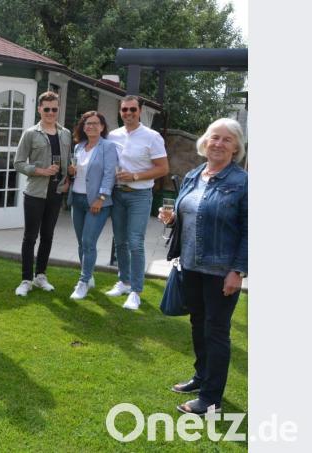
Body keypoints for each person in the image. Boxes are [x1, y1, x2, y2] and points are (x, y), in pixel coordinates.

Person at [158, 118, 247, 414]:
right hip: (191, 265)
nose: (219, 143)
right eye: (214, 137)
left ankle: (211, 399)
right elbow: (191, 212)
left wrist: (238, 270)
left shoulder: (242, 182)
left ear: (235, 148)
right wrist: (173, 218)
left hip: (221, 271)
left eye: (226, 139)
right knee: (198, 325)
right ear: (205, 142)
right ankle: (201, 376)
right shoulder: (195, 174)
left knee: (216, 331)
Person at [106, 95, 169, 310]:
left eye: (133, 110)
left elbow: (163, 168)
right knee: (120, 241)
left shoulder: (152, 137)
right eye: (124, 110)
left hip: (140, 195)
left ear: (140, 111)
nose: (128, 114)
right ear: (120, 111)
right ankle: (124, 282)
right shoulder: (113, 135)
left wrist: (135, 176)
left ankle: (136, 291)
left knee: (135, 242)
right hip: (117, 194)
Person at [13, 91, 71, 296]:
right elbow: (18, 163)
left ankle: (41, 276)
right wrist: (41, 171)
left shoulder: (65, 133)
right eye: (46, 109)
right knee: (30, 237)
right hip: (35, 193)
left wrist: (68, 181)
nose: (50, 113)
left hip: (56, 193)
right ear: (39, 109)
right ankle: (26, 279)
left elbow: (68, 163)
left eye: (54, 109)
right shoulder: (30, 133)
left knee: (48, 236)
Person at [66, 111, 118, 300]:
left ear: (102, 127)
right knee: (82, 243)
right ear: (83, 127)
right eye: (87, 123)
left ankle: (83, 282)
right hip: (77, 200)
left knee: (89, 242)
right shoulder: (79, 147)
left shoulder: (108, 147)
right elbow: (77, 174)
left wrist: (102, 197)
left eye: (95, 123)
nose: (91, 126)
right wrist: (71, 171)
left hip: (97, 202)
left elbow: (109, 174)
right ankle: (88, 276)